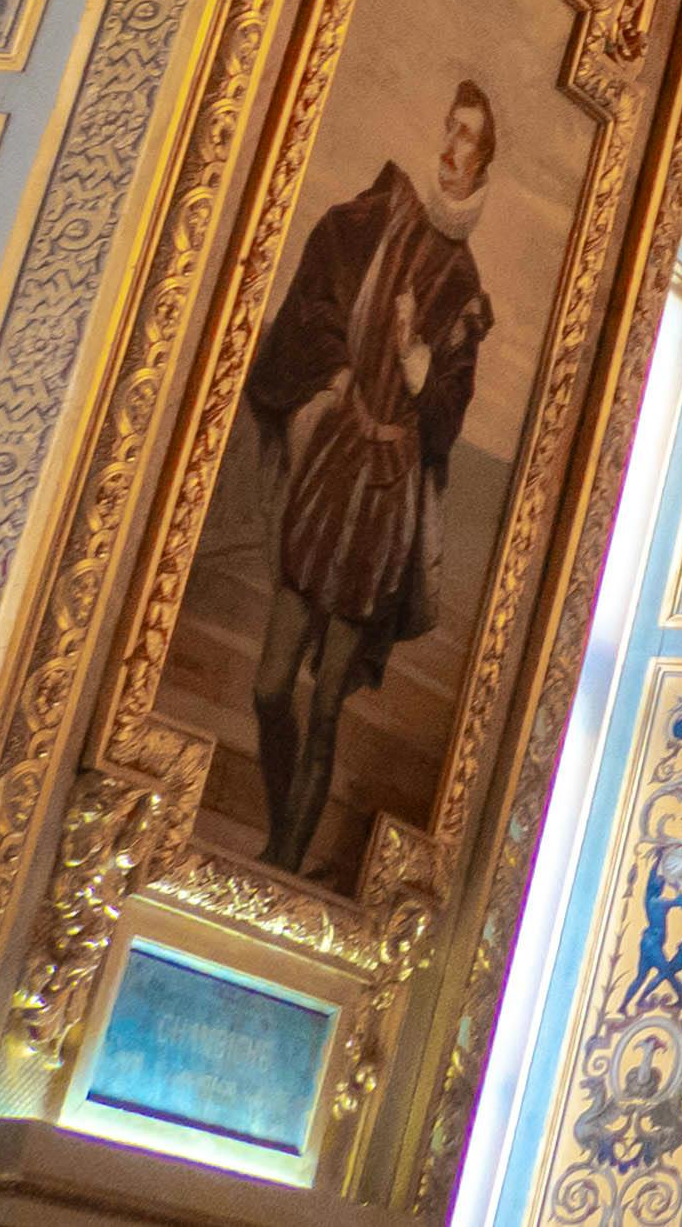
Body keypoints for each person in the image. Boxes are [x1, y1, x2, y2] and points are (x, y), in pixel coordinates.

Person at [247, 82, 505, 878]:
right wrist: (332, 380)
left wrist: (422, 371)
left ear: (483, 162)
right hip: (335, 468)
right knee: (268, 686)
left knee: (324, 704)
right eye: (451, 129)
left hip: (387, 494)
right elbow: (325, 286)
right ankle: (282, 823)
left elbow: (449, 420)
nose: (452, 148)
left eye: (470, 140)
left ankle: (285, 860)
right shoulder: (381, 221)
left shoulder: (466, 290)